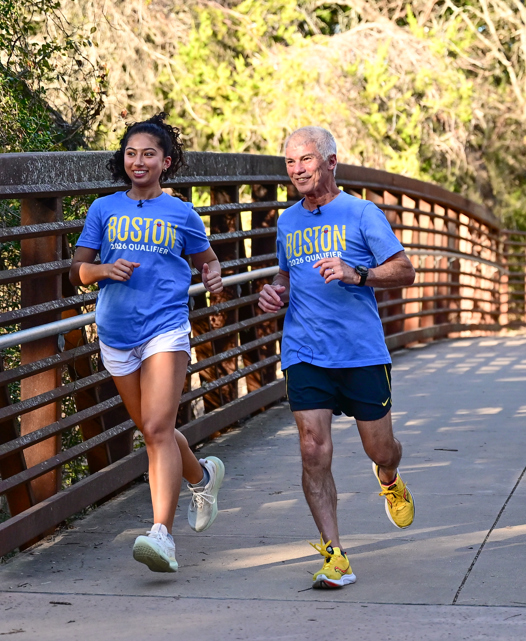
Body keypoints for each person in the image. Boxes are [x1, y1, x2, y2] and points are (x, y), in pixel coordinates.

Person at [257, 126, 417, 589]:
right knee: (312, 449)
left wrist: (357, 273)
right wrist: (275, 293)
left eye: (305, 159)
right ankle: (336, 555)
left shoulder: (362, 212)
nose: (297, 170)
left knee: (380, 449)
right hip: (305, 350)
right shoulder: (287, 222)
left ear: (330, 161)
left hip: (360, 351)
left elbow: (404, 270)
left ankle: (390, 477)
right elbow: (287, 278)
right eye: (290, 162)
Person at [70, 113, 227, 573]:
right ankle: (202, 476)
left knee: (157, 428)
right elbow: (77, 271)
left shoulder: (182, 213)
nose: (138, 161)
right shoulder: (103, 209)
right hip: (116, 332)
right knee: (152, 429)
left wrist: (213, 275)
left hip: (165, 328)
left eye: (149, 154)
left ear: (166, 162)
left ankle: (162, 535)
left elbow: (208, 260)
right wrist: (102, 270)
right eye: (131, 153)